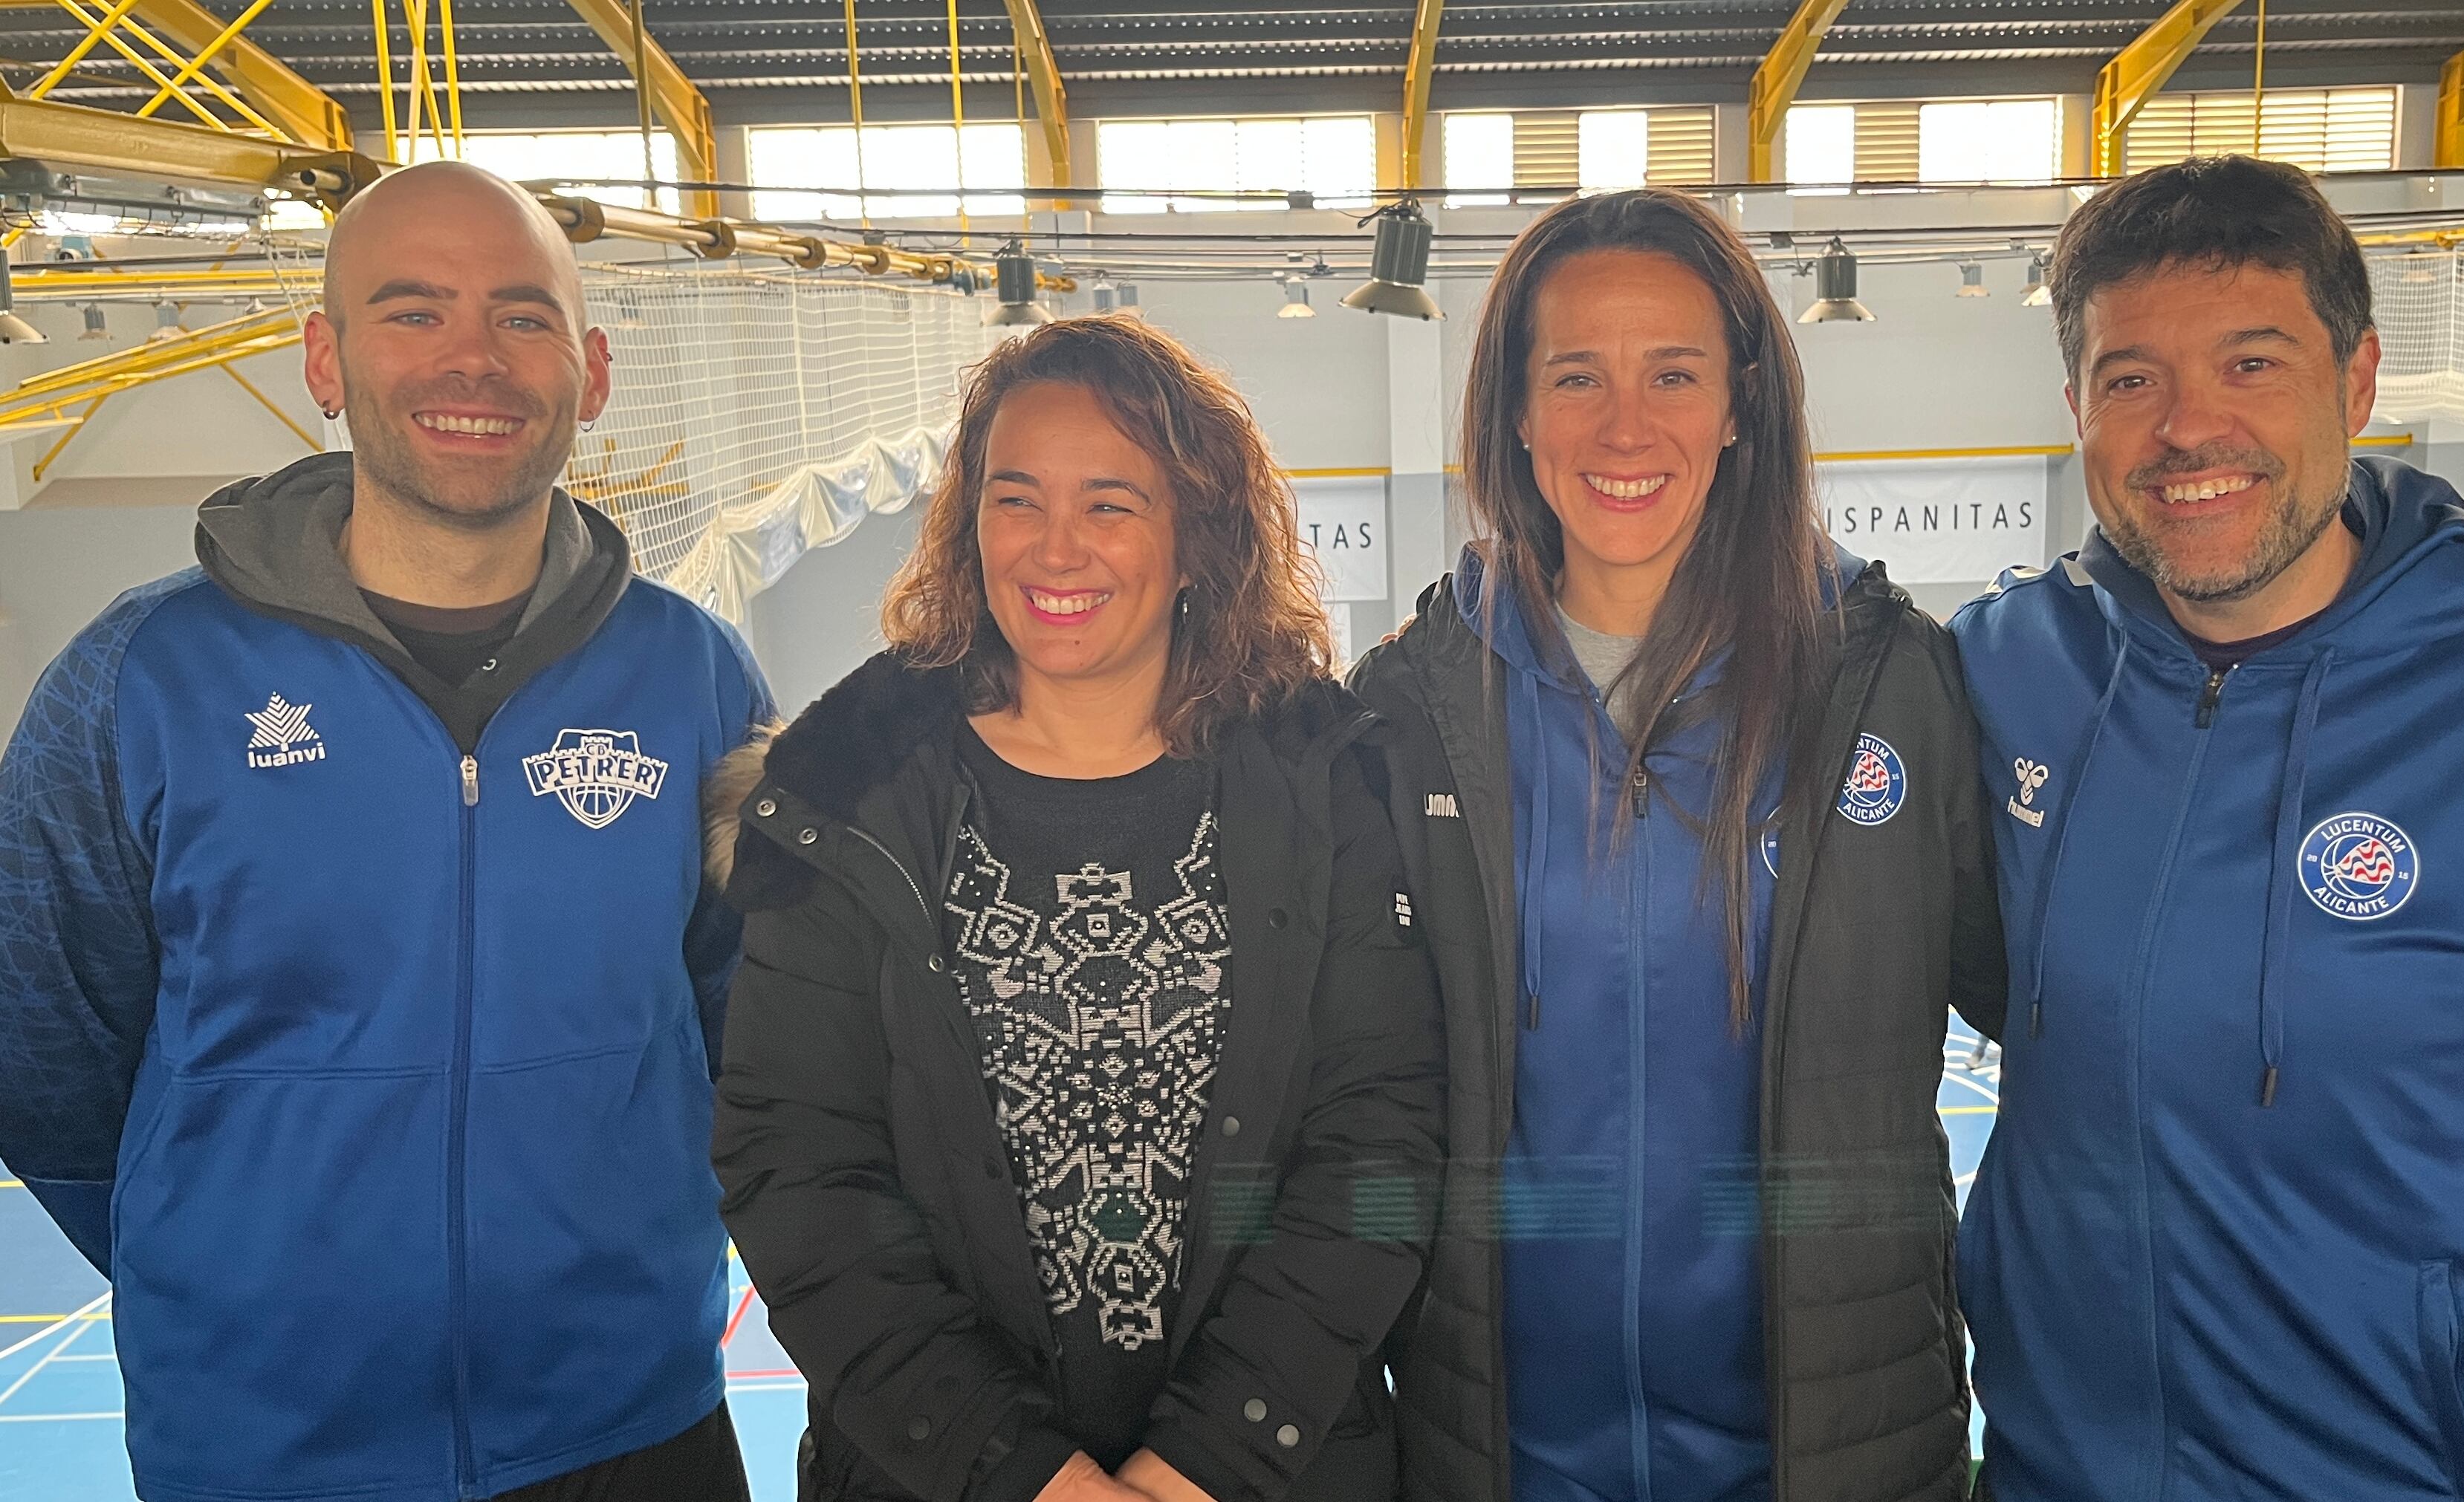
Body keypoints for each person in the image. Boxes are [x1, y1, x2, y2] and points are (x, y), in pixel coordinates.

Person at [0, 160, 770, 1500]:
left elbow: (748, 1028)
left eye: (523, 317)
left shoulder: (699, 680)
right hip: (263, 1450)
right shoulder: (140, 681)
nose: (473, 358)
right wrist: (235, 1270)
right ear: (324, 357)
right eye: (413, 311)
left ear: (589, 372)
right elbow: (42, 1054)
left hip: (630, 1431)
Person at [1949, 154, 2464, 1502]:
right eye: (2131, 379)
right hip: (2052, 1471)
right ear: (2078, 409)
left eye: (2252, 363)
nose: (2186, 427)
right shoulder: (2005, 668)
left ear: (2357, 380)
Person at [708, 313, 1445, 1502]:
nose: (1057, 550)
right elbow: (800, 1167)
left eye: (1111, 502)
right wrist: (1026, 1479)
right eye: (1016, 499)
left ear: (1198, 536)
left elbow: (1377, 1141)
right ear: (969, 523)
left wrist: (1205, 1459)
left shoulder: (1326, 782)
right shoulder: (846, 794)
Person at [1349, 188, 2006, 1502]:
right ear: (1517, 414)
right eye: (1577, 374)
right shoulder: (1407, 710)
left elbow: (2067, 1022)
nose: (1626, 425)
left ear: (1740, 405)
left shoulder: (1894, 686)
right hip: (1500, 1459)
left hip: (1835, 1458)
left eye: (1675, 374)